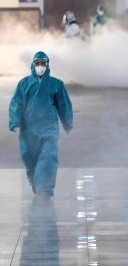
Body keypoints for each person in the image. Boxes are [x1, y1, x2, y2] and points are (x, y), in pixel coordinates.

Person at [9, 51, 73, 199]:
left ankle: (45, 189)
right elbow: (16, 104)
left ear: (47, 65)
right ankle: (36, 182)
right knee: (30, 158)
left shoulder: (56, 84)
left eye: (43, 63)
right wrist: (15, 121)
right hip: (28, 129)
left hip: (49, 128)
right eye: (37, 63)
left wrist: (67, 122)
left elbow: (64, 105)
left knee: (49, 157)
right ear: (33, 65)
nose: (40, 66)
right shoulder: (24, 83)